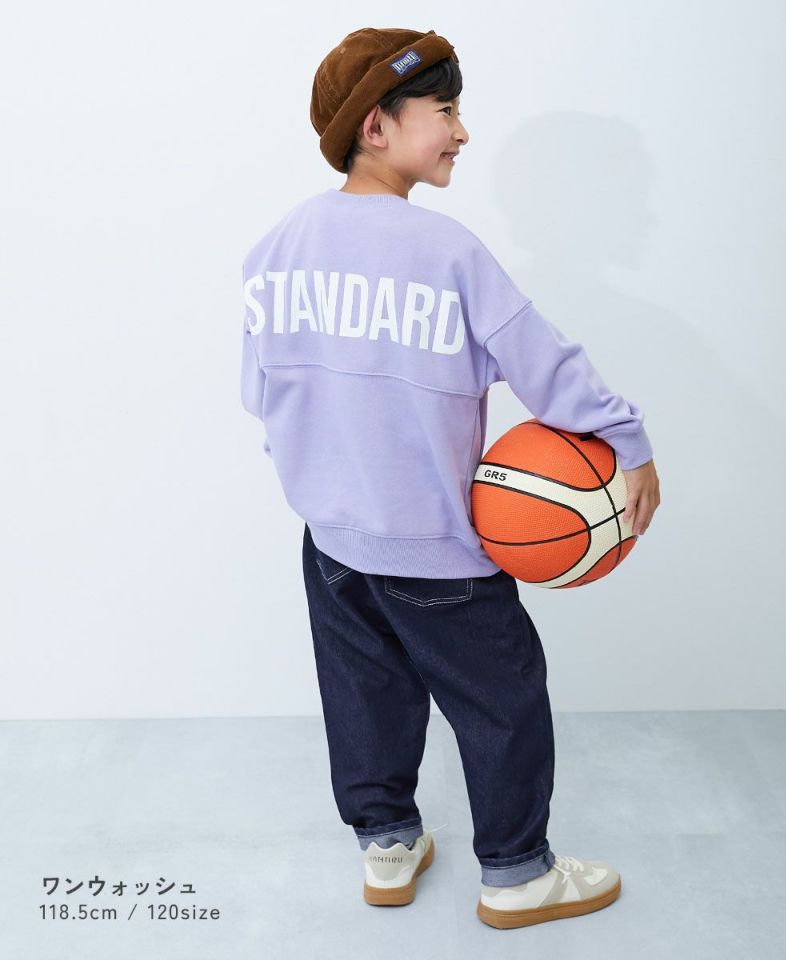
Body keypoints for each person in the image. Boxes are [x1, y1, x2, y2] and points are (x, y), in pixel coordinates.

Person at [240, 27, 661, 929]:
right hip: (437, 545)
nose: (462, 131)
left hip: (330, 542)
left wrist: (324, 480)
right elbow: (546, 366)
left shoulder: (276, 248)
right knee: (502, 699)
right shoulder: (447, 254)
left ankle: (387, 844)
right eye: (445, 110)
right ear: (377, 125)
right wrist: (629, 442)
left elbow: (262, 395)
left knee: (364, 692)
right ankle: (516, 872)